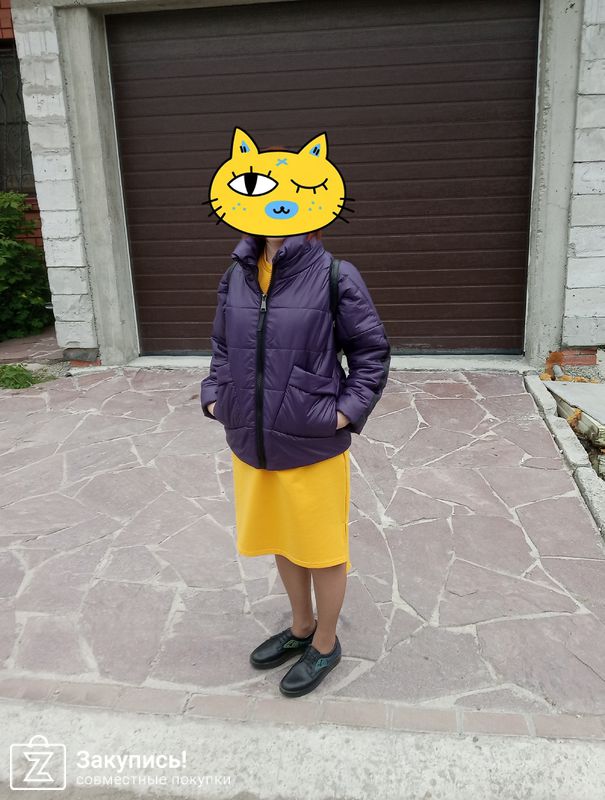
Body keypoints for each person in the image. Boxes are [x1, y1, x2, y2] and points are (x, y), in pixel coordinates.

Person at [201, 227, 391, 698]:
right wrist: (216, 397)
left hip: (311, 445)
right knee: (282, 538)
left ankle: (325, 644)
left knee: (323, 550)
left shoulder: (335, 275)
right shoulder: (237, 274)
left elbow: (370, 352)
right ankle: (302, 627)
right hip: (253, 441)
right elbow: (222, 347)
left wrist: (343, 413)